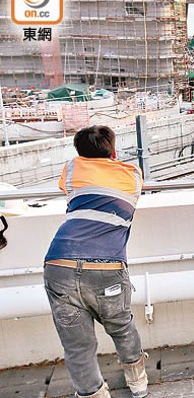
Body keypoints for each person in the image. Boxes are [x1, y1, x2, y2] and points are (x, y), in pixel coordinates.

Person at [44, 126, 148, 398]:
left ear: (79, 153)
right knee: (121, 326)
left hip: (59, 265)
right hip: (107, 266)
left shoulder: (70, 171)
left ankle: (92, 394)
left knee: (77, 345)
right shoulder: (133, 175)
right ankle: (137, 382)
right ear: (113, 150)